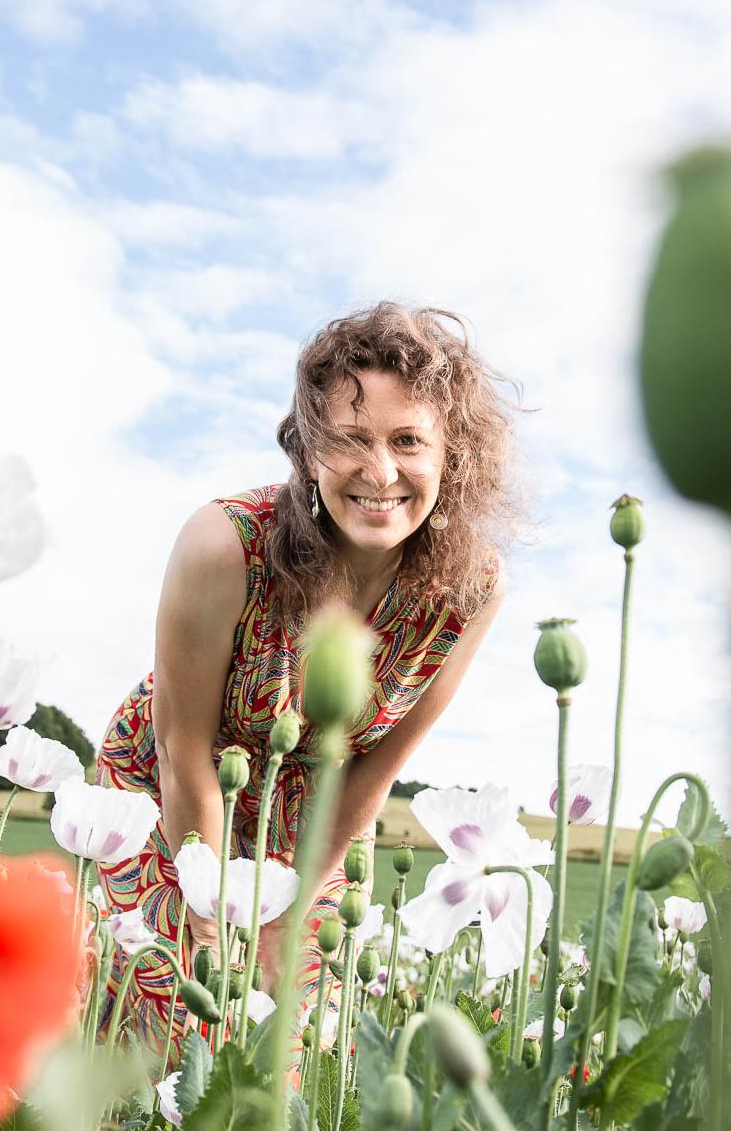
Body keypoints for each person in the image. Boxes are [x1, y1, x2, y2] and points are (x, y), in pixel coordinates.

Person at [97, 302, 519, 1050]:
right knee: (182, 1027)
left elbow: (376, 773)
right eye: (351, 438)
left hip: (314, 818)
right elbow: (182, 747)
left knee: (298, 1048)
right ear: (308, 451)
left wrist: (284, 919)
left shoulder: (470, 586)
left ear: (451, 453)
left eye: (408, 440)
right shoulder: (223, 545)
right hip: (177, 791)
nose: (380, 471)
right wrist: (214, 912)